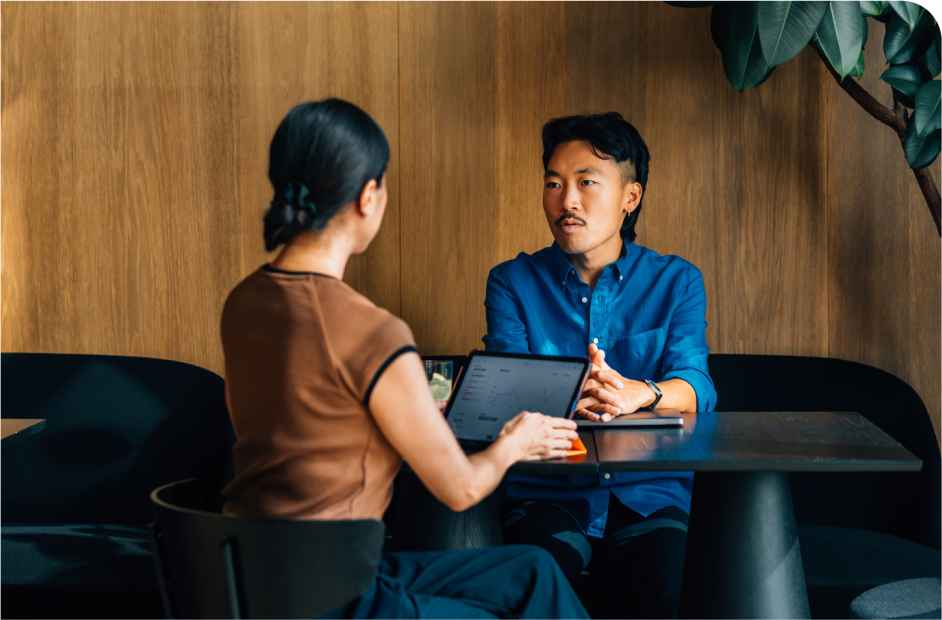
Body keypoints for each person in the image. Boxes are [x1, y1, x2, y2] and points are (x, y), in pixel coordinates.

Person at [220, 99, 591, 620]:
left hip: (256, 573)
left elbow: (303, 419)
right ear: (369, 196)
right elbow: (461, 489)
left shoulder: (244, 300)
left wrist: (406, 413)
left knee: (533, 570)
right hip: (337, 595)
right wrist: (517, 441)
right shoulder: (372, 331)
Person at [483, 112, 717, 620]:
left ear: (630, 197)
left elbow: (696, 385)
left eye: (587, 182)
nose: (567, 200)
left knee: (681, 590)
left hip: (648, 494)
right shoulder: (510, 282)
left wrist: (639, 393)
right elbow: (505, 386)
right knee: (525, 586)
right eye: (554, 183)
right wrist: (567, 394)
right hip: (547, 492)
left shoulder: (677, 282)